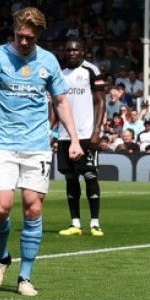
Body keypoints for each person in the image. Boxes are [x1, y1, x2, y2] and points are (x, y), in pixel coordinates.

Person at [0, 7, 84, 297]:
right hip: (1, 142)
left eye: (30, 37)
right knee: (0, 208)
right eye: (20, 35)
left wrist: (75, 139)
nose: (25, 41)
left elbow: (61, 101)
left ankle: (25, 277)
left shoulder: (49, 61)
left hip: (37, 145)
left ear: (39, 34)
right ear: (14, 29)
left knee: (33, 207)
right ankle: (2, 257)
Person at [56, 38, 107, 238]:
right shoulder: (60, 73)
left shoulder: (91, 71)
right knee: (70, 176)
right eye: (68, 50)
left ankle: (95, 223)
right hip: (64, 134)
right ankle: (75, 223)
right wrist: (52, 131)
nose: (71, 53)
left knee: (89, 175)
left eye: (75, 50)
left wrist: (96, 132)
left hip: (86, 133)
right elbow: (56, 104)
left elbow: (101, 102)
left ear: (83, 52)